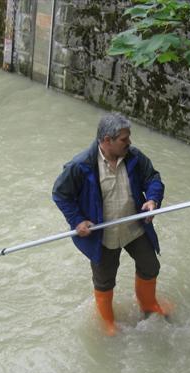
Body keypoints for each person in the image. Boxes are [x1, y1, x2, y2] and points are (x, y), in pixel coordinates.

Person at [52, 113, 168, 335]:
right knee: (104, 281)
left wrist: (153, 200)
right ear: (107, 140)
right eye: (124, 139)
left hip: (134, 227)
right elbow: (60, 194)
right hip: (102, 235)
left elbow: (153, 178)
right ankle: (108, 322)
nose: (129, 142)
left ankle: (149, 305)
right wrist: (77, 221)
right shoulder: (80, 166)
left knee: (150, 266)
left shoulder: (134, 157)